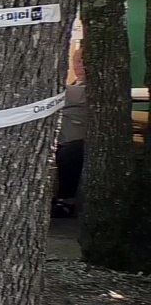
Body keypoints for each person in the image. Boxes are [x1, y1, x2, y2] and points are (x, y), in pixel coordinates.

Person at [53, 46, 85, 218]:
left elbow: (66, 94)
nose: (80, 65)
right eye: (77, 61)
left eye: (84, 61)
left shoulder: (88, 90)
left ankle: (67, 201)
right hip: (62, 140)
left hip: (78, 142)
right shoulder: (75, 85)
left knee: (70, 154)